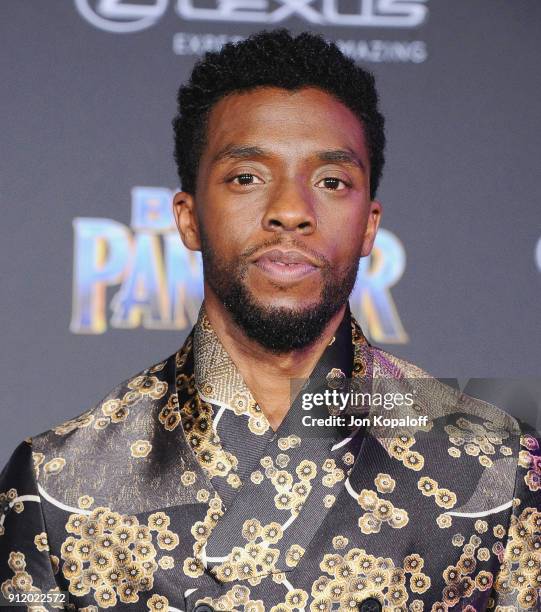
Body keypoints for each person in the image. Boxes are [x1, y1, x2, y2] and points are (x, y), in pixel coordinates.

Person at [1, 29, 540, 612]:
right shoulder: (57, 482)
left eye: (331, 182)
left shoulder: (497, 465)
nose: (290, 211)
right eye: (247, 178)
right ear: (186, 218)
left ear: (368, 225)